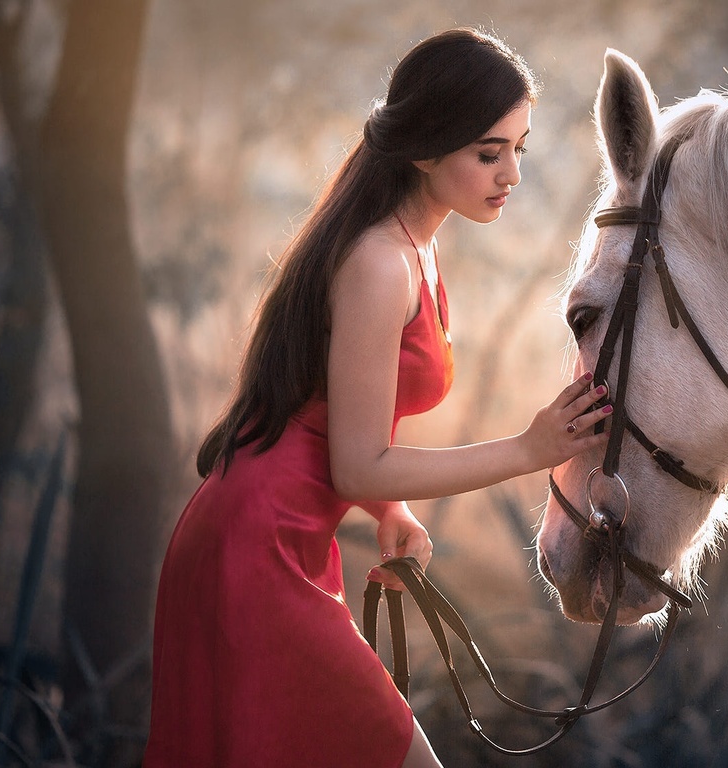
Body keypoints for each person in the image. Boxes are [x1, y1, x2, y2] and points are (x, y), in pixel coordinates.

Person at [144, 29, 610, 768]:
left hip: (287, 537)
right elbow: (357, 466)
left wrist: (389, 510)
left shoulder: (415, 247)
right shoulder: (378, 262)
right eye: (489, 153)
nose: (511, 173)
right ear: (426, 150)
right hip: (254, 547)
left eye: (519, 148)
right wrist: (528, 451)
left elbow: (335, 417)